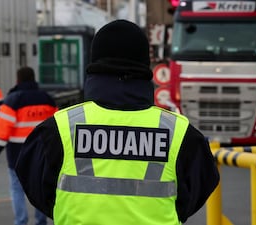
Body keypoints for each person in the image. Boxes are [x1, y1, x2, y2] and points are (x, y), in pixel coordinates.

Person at [15, 20, 220, 225]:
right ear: (144, 65)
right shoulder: (180, 133)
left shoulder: (57, 129)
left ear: (94, 64)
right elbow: (196, 191)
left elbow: (37, 187)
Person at [0, 66, 58, 225]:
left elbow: (2, 130)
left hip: (17, 154)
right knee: (40, 188)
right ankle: (41, 221)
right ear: (33, 79)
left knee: (17, 190)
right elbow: (56, 127)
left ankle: (21, 221)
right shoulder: (47, 99)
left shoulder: (13, 100)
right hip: (41, 154)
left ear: (18, 80)